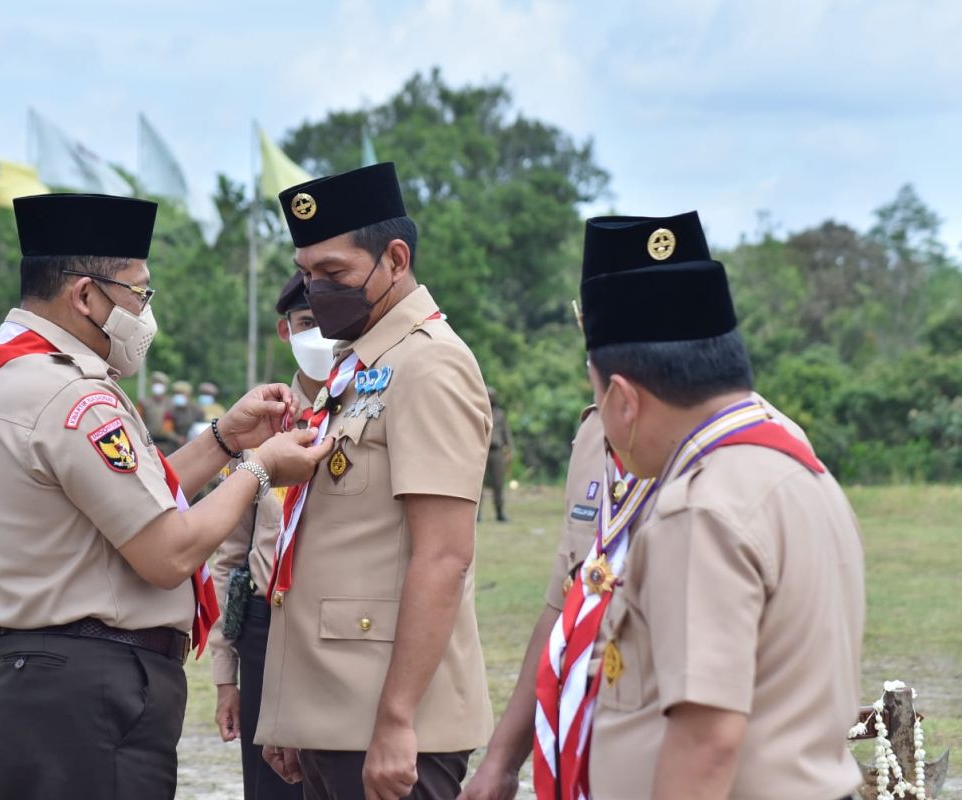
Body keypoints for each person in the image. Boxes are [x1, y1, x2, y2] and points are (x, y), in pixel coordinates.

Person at [463, 211, 865, 800]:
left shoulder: (699, 509)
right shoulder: (796, 473)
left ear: (623, 398)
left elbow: (706, 745)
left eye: (598, 396)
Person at [0, 193, 333, 800]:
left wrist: (222, 441)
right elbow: (166, 551)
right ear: (85, 296)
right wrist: (260, 468)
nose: (144, 312)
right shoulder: (74, 398)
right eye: (138, 293)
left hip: (28, 679)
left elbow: (128, 503)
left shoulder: (9, 377)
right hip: (85, 693)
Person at [258, 163, 494, 800]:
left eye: (333, 273)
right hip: (335, 710)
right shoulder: (361, 364)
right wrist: (292, 710)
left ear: (395, 258)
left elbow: (443, 556)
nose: (315, 289)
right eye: (307, 274)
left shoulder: (430, 363)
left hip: (392, 722)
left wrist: (396, 721)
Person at [209, 271, 330, 800]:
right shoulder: (260, 418)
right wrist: (225, 674)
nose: (319, 335)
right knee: (270, 789)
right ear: (287, 332)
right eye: (306, 323)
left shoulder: (371, 408)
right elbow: (228, 555)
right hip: (263, 630)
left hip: (335, 631)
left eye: (328, 321)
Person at [481, 387, 512, 522]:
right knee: (478, 484)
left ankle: (499, 512)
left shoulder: (500, 414)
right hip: (482, 451)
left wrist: (509, 449)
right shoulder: (479, 412)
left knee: (498, 483)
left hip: (496, 451)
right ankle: (476, 515)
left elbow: (506, 432)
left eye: (492, 396)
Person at [167, 379, 203, 447]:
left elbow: (201, 427)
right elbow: (167, 429)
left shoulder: (197, 410)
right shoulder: (170, 411)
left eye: (181, 393)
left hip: (194, 445)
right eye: (176, 393)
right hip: (174, 447)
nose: (178, 396)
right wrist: (177, 438)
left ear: (188, 395)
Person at [141, 370, 170, 439]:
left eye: (160, 383)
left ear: (165, 386)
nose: (157, 386)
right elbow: (139, 421)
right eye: (155, 383)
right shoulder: (144, 403)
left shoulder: (170, 403)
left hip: (168, 443)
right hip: (149, 441)